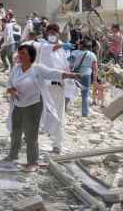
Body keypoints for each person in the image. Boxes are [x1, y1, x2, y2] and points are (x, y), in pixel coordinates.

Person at [5, 44, 79, 172]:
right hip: (17, 105)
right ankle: (13, 155)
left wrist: (71, 75)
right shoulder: (16, 69)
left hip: (33, 105)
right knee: (15, 132)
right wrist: (12, 91)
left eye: (23, 53)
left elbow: (54, 73)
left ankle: (32, 161)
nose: (20, 56)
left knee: (31, 135)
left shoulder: (37, 69)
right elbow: (9, 85)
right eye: (19, 53)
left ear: (30, 56)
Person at [34, 24, 70, 154]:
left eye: (55, 32)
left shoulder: (62, 50)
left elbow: (66, 67)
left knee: (59, 116)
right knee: (39, 114)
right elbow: (50, 48)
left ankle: (57, 145)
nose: (53, 34)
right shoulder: (42, 45)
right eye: (50, 32)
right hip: (43, 87)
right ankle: (32, 141)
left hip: (58, 86)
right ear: (46, 33)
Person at [69, 38, 98, 117]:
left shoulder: (74, 53)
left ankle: (64, 109)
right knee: (85, 95)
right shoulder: (92, 54)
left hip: (74, 75)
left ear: (81, 45)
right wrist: (95, 80)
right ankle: (85, 113)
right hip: (86, 75)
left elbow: (70, 64)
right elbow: (95, 69)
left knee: (69, 92)